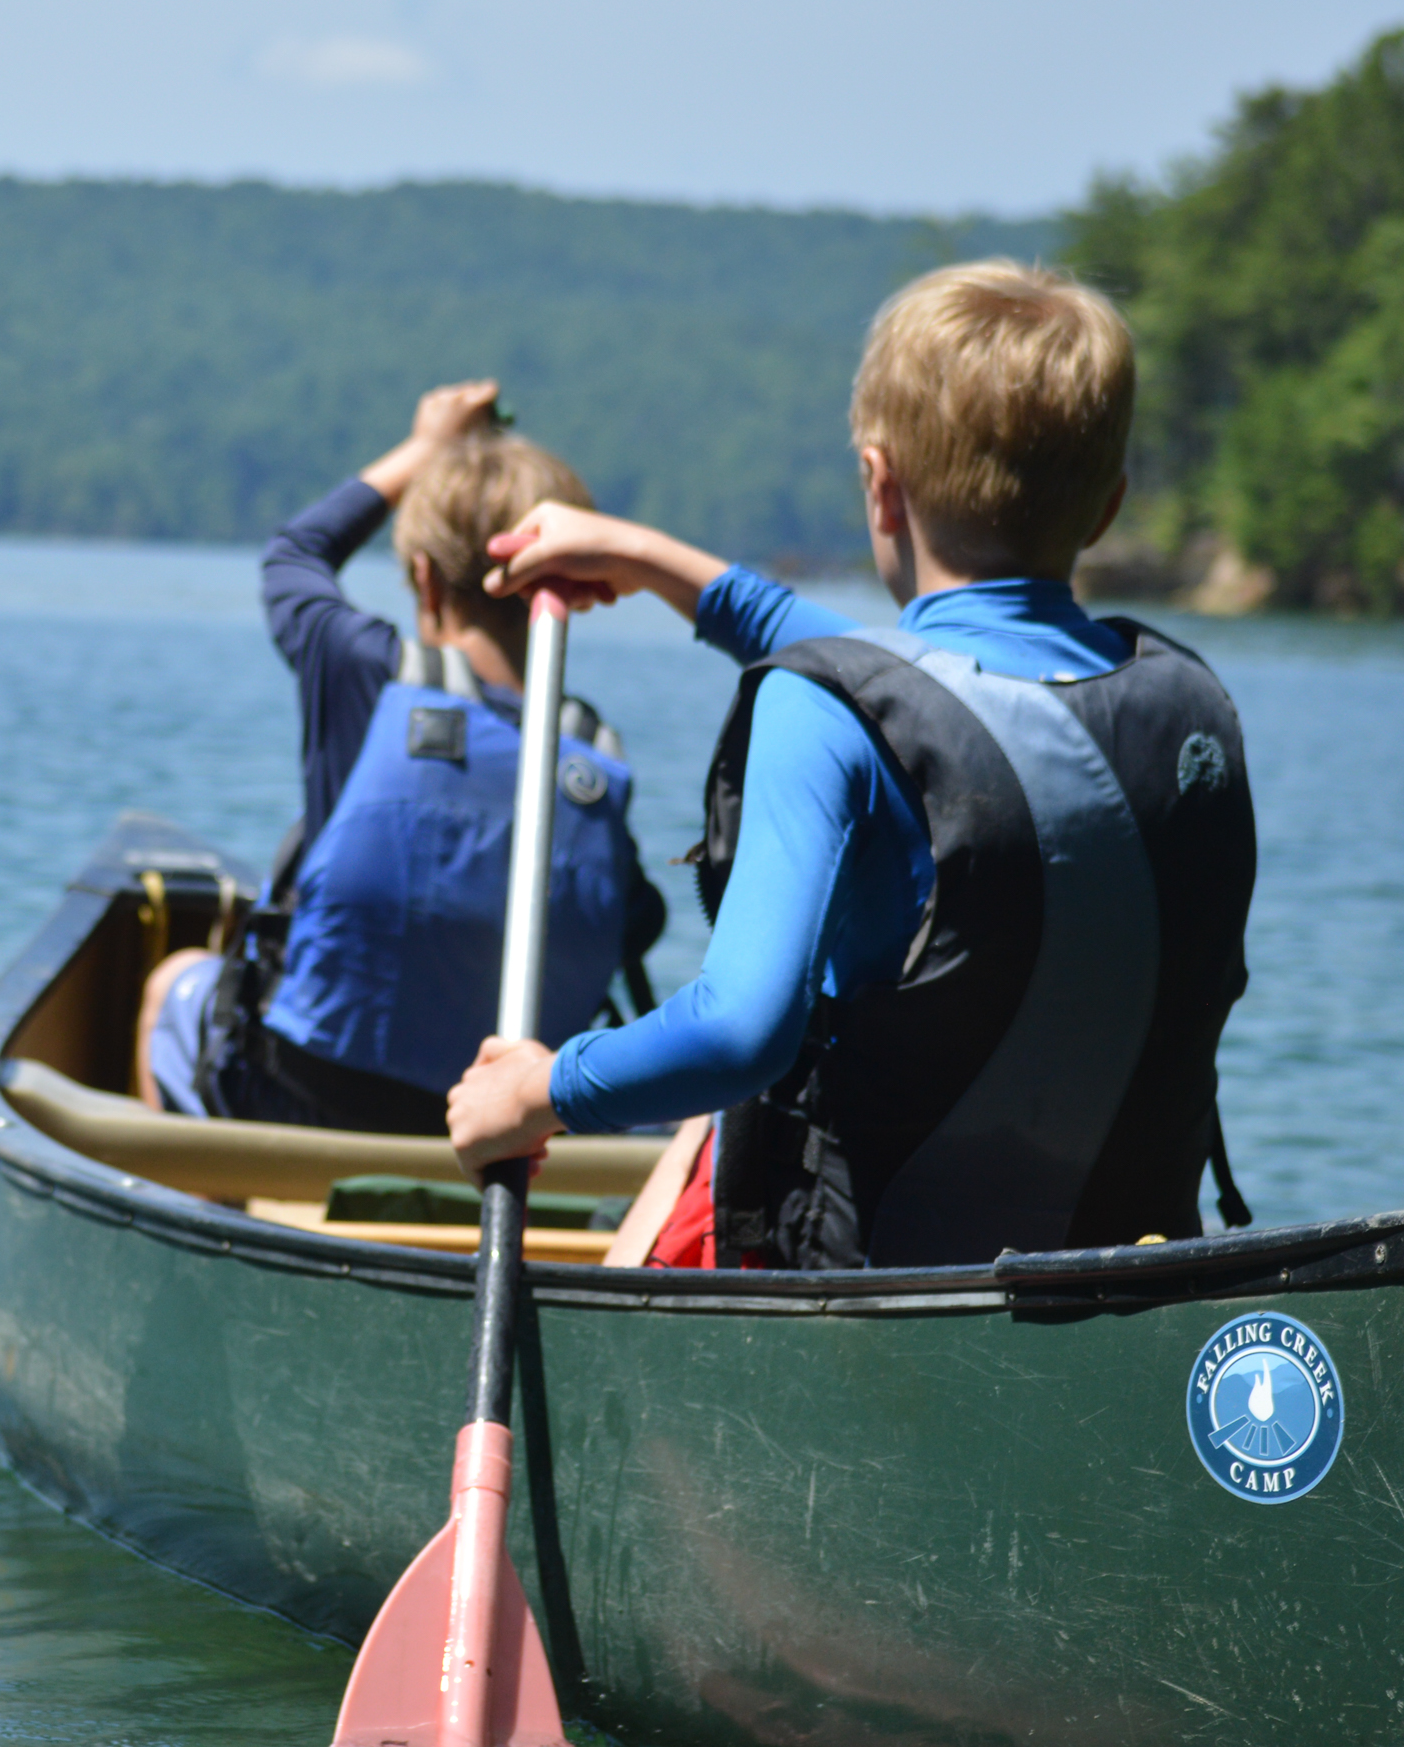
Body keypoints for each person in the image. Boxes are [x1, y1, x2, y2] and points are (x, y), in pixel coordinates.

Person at [445, 261, 1256, 1267]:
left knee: (705, 1126)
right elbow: (939, 694)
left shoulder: (822, 710)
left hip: (880, 1306)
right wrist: (643, 556)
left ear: (880, 486)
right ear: (1106, 508)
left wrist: (542, 1088)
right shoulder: (1185, 709)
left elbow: (739, 1034)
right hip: (1129, 1274)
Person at [134, 381, 667, 1134]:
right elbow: (633, 921)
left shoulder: (368, 673)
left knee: (171, 985)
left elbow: (295, 553)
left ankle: (218, 1211)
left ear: (422, 578)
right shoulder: (591, 753)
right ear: (575, 589)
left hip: (307, 1090)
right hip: (505, 1129)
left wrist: (426, 449)